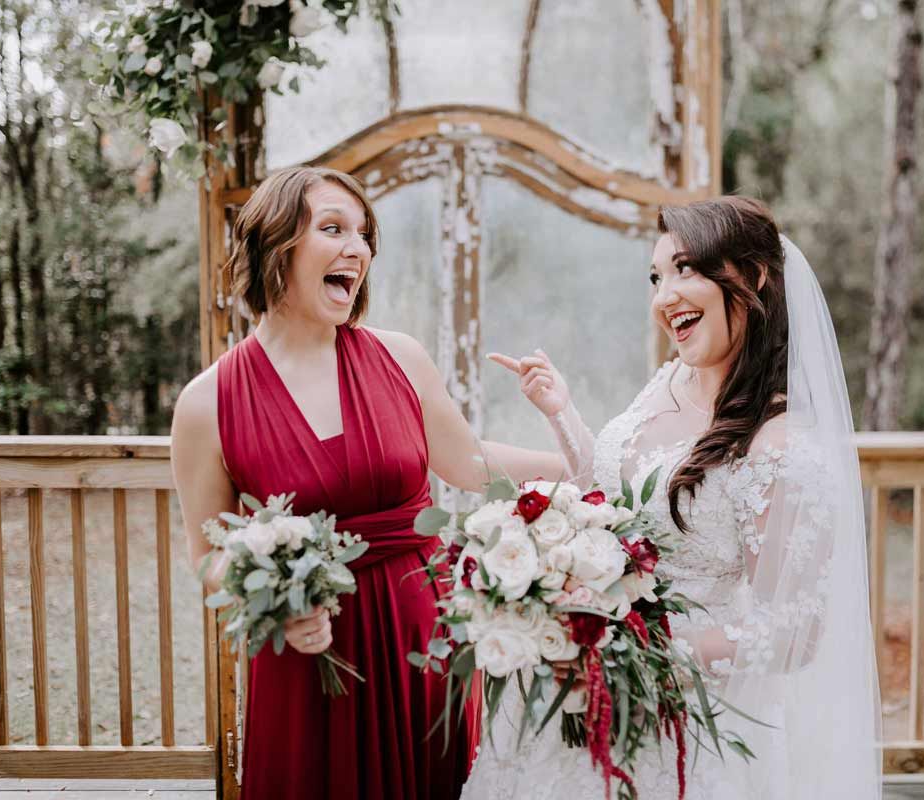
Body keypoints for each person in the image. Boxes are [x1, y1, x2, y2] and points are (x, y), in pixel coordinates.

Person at [464, 196, 881, 798]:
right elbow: (621, 499)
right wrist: (562, 414)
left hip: (678, 727)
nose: (664, 296)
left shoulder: (780, 451)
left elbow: (794, 633)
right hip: (580, 698)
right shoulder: (671, 379)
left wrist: (629, 649)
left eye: (686, 269)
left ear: (753, 277)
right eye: (657, 277)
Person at [170, 166, 563, 800]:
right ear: (276, 246)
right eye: (333, 229)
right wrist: (280, 602)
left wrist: (576, 457)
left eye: (364, 234)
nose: (359, 249)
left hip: (421, 642)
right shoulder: (207, 403)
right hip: (308, 660)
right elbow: (207, 557)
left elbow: (468, 465)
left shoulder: (400, 356)